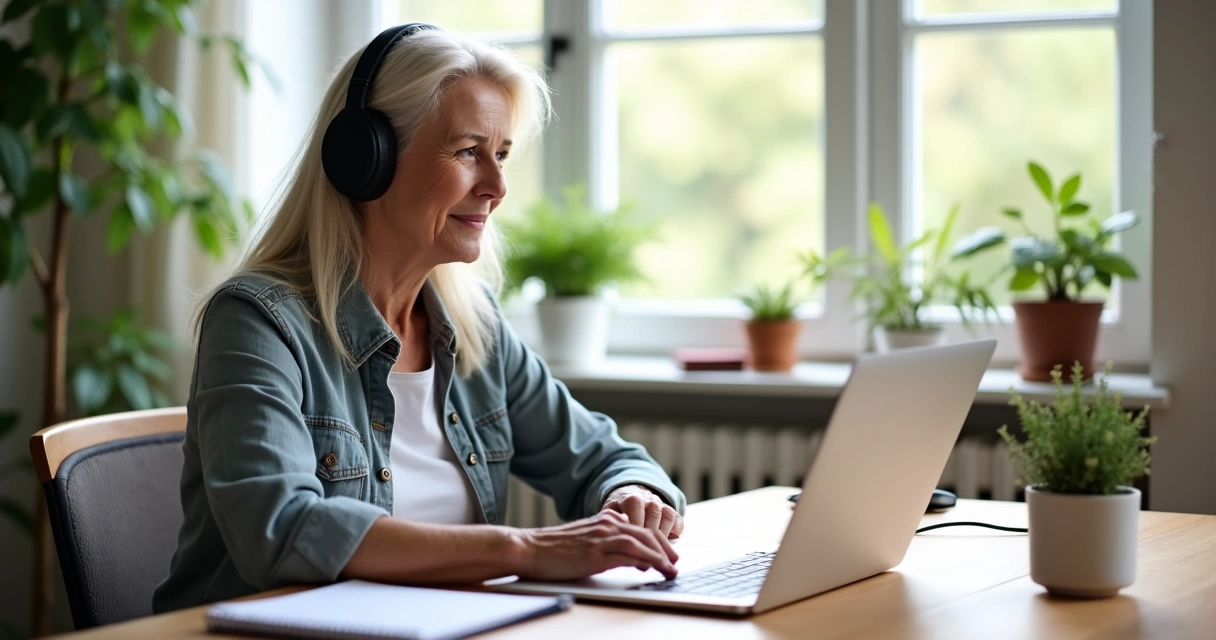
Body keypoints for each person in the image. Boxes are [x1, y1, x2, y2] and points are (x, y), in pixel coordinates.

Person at [152, 24, 686, 613]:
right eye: (467, 152)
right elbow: (282, 530)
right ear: (366, 159)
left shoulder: (472, 322)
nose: (498, 186)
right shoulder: (258, 322)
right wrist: (526, 549)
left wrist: (634, 496)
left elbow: (604, 457)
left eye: (503, 155)